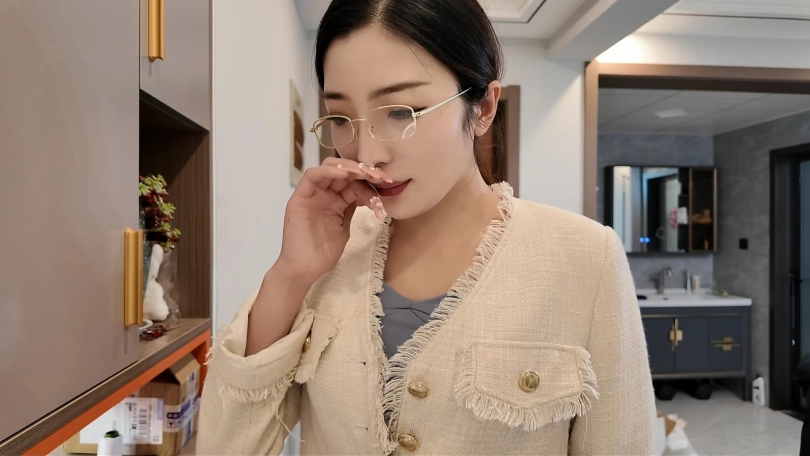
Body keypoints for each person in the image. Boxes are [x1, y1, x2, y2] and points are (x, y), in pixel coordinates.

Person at [197, 0, 656, 454]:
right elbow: (225, 448)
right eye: (340, 118)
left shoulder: (585, 258)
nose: (368, 154)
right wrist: (290, 275)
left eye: (401, 112)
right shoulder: (331, 248)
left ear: (483, 108)